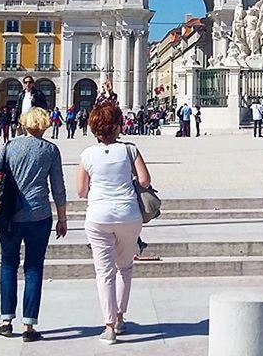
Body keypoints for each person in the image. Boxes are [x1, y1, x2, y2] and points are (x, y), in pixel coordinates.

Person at [0, 107, 67, 342]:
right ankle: (29, 326)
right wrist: (62, 218)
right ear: (45, 126)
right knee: (34, 267)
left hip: (10, 215)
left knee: (8, 263)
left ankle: (6, 320)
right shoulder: (51, 150)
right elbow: (58, 189)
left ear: (23, 123)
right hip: (40, 215)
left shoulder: (10, 146)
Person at [77, 101, 152, 345]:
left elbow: (80, 191)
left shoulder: (87, 155)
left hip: (98, 217)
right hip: (129, 216)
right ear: (118, 126)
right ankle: (120, 318)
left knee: (104, 273)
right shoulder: (130, 150)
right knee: (125, 268)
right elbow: (144, 181)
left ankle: (108, 327)